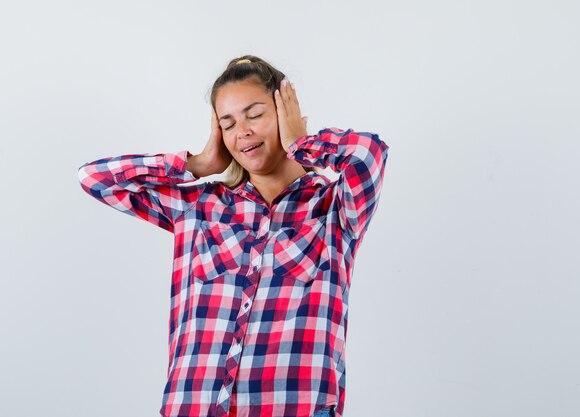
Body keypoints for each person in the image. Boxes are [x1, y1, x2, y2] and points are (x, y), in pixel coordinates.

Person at [77, 55, 389, 417]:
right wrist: (196, 163)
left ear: (284, 114)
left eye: (254, 115)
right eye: (228, 123)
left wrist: (303, 143)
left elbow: (369, 154)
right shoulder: (198, 207)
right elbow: (93, 178)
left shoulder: (334, 209)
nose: (242, 131)